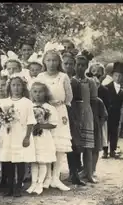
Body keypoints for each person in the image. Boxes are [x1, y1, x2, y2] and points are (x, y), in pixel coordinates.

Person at [36, 47, 73, 191]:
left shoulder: (63, 77)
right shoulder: (40, 77)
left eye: (55, 60)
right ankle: (46, 177)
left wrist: (59, 104)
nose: (52, 63)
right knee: (46, 143)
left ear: (59, 62)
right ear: (44, 61)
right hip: (44, 111)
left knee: (60, 145)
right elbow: (35, 93)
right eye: (49, 60)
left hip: (60, 111)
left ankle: (56, 178)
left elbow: (69, 97)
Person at [0, 74, 36, 197]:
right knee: (7, 161)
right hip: (8, 134)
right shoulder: (4, 102)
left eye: (19, 85)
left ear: (23, 87)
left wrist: (27, 137)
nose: (16, 88)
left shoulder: (27, 102)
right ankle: (9, 186)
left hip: (21, 133)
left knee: (20, 161)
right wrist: (3, 120)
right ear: (10, 87)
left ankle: (18, 186)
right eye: (14, 85)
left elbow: (30, 121)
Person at [27, 81, 58, 195]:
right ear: (31, 93)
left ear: (45, 93)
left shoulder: (49, 107)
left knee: (42, 161)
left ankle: (40, 183)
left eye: (40, 92)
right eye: (35, 92)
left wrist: (40, 125)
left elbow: (54, 124)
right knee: (34, 161)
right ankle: (33, 183)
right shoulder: (29, 106)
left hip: (44, 137)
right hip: (32, 137)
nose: (38, 94)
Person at [61, 51, 85, 186]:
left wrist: (78, 117)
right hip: (60, 112)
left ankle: (74, 173)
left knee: (74, 143)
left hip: (72, 113)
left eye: (71, 64)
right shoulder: (59, 78)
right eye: (66, 64)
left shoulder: (75, 82)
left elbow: (79, 101)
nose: (68, 66)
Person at [74, 52, 97, 183]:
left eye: (83, 65)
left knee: (88, 147)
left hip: (87, 115)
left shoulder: (91, 82)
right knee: (76, 146)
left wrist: (92, 117)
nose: (80, 68)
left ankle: (89, 173)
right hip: (74, 115)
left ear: (87, 67)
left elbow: (94, 101)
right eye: (78, 65)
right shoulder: (70, 80)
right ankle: (76, 173)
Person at [104, 62, 123, 158]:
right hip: (107, 114)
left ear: (122, 77)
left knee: (114, 132)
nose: (117, 78)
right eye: (116, 75)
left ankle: (113, 150)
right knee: (106, 132)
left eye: (120, 76)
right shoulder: (106, 88)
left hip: (117, 114)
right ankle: (105, 151)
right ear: (112, 76)